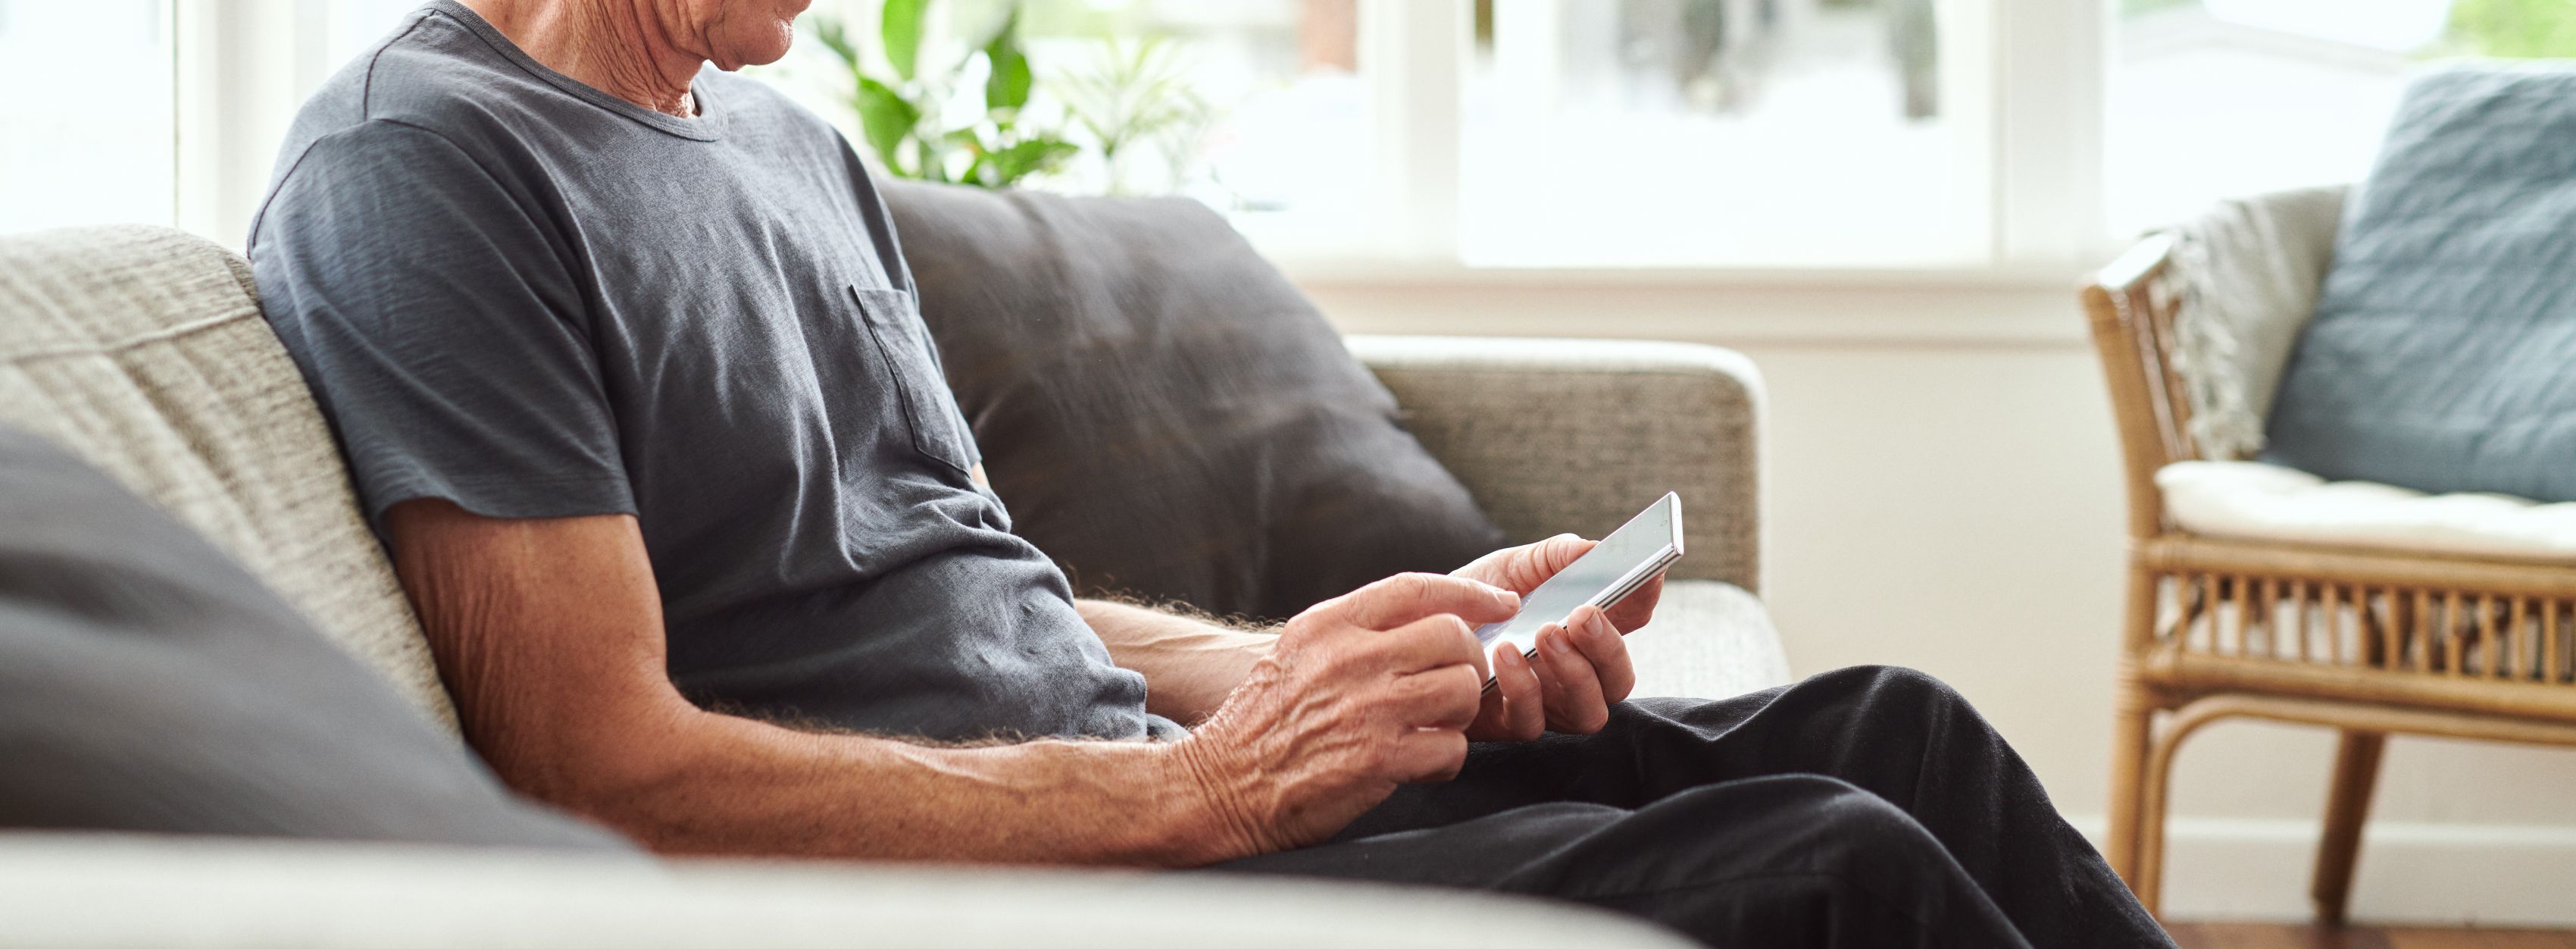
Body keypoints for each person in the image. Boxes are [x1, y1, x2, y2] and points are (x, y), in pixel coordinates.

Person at [246, 2, 2173, 945]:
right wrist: (1195, 799)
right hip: (1036, 886)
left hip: (1157, 802)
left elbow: (973, 586)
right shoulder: (421, 173)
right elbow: (601, 770)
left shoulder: (782, 146)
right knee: (1827, 872)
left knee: (1894, 731)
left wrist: (1330, 669)